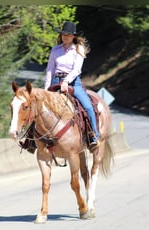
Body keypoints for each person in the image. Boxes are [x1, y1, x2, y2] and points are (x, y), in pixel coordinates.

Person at [45, 21, 100, 151]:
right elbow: (50, 70)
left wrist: (66, 81)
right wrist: (46, 89)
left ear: (74, 37)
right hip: (55, 82)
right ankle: (33, 140)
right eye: (64, 34)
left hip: (73, 83)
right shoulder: (55, 50)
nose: (65, 37)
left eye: (68, 35)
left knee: (88, 106)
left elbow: (77, 70)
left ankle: (93, 135)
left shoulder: (78, 49)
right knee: (39, 107)